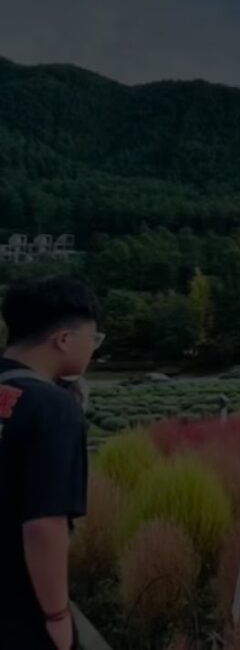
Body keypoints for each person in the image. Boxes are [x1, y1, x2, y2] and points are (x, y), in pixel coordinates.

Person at [0, 277, 102, 650]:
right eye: (93, 338)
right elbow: (44, 524)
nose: (93, 349)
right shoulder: (53, 409)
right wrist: (57, 616)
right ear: (63, 340)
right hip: (15, 611)